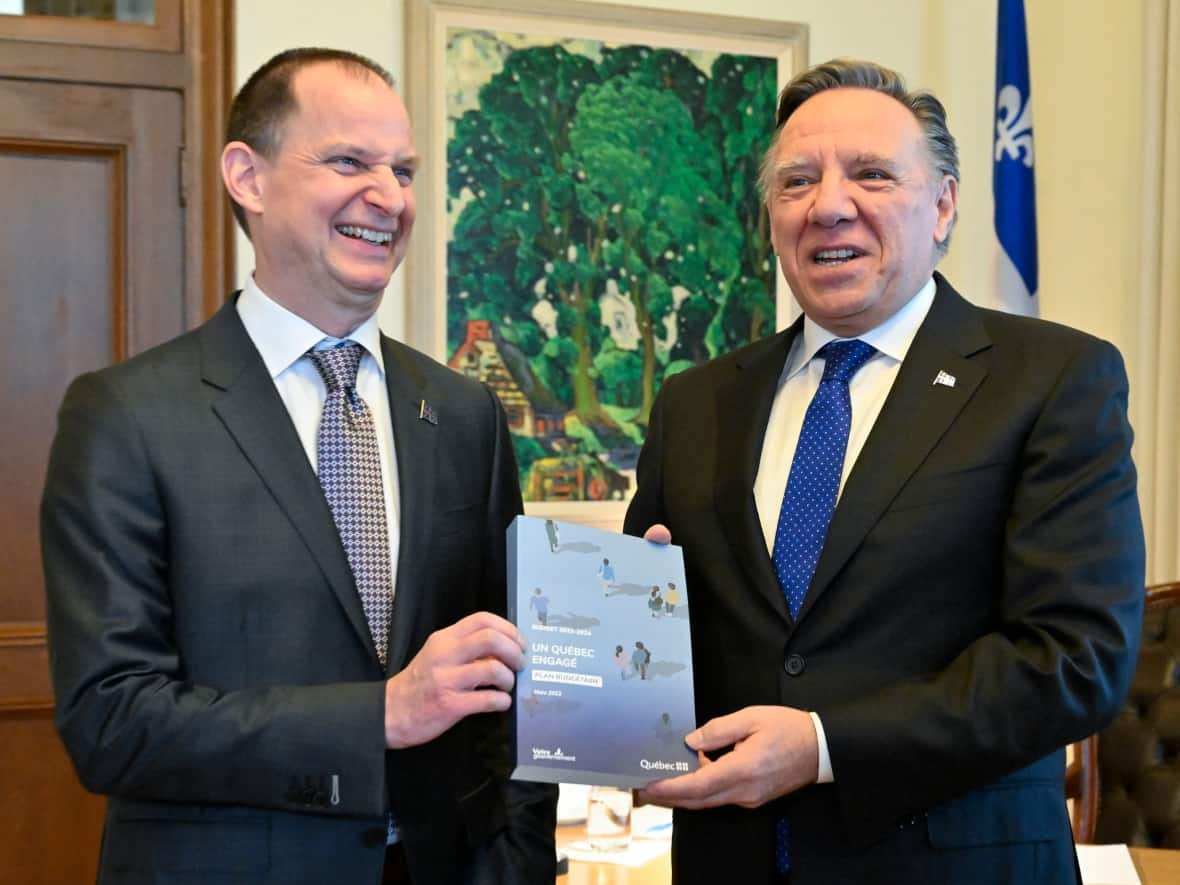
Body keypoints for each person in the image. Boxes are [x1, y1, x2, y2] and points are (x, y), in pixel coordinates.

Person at [41, 48, 556, 885]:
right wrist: (377, 717)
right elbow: (111, 720)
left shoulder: (464, 415)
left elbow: (512, 686)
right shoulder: (128, 417)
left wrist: (519, 862)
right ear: (247, 175)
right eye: (350, 161)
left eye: (404, 170)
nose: (388, 197)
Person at [624, 59, 1144, 884]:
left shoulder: (1051, 379)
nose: (830, 204)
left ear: (943, 206)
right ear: (771, 217)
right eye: (797, 180)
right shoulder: (694, 403)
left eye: (871, 173)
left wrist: (826, 745)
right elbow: (658, 644)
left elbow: (1076, 659)